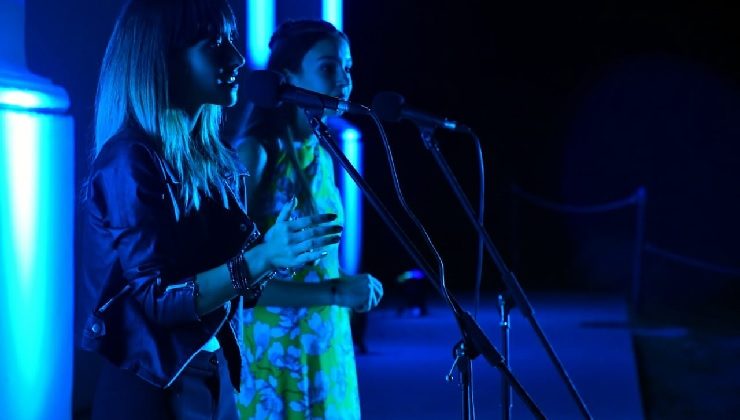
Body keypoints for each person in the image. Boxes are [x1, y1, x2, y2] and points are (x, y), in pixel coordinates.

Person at [77, 2, 344, 419]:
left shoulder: (216, 161)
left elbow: (238, 282)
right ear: (165, 57)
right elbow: (158, 298)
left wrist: (278, 253)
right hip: (151, 388)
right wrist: (261, 259)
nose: (237, 58)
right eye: (216, 44)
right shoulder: (129, 161)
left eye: (232, 41)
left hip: (213, 374)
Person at [231, 19, 384, 419]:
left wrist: (344, 287)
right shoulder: (256, 154)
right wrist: (334, 293)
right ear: (287, 78)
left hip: (326, 345)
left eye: (347, 68)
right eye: (328, 68)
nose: (344, 80)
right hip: (273, 355)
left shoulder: (319, 151)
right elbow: (233, 282)